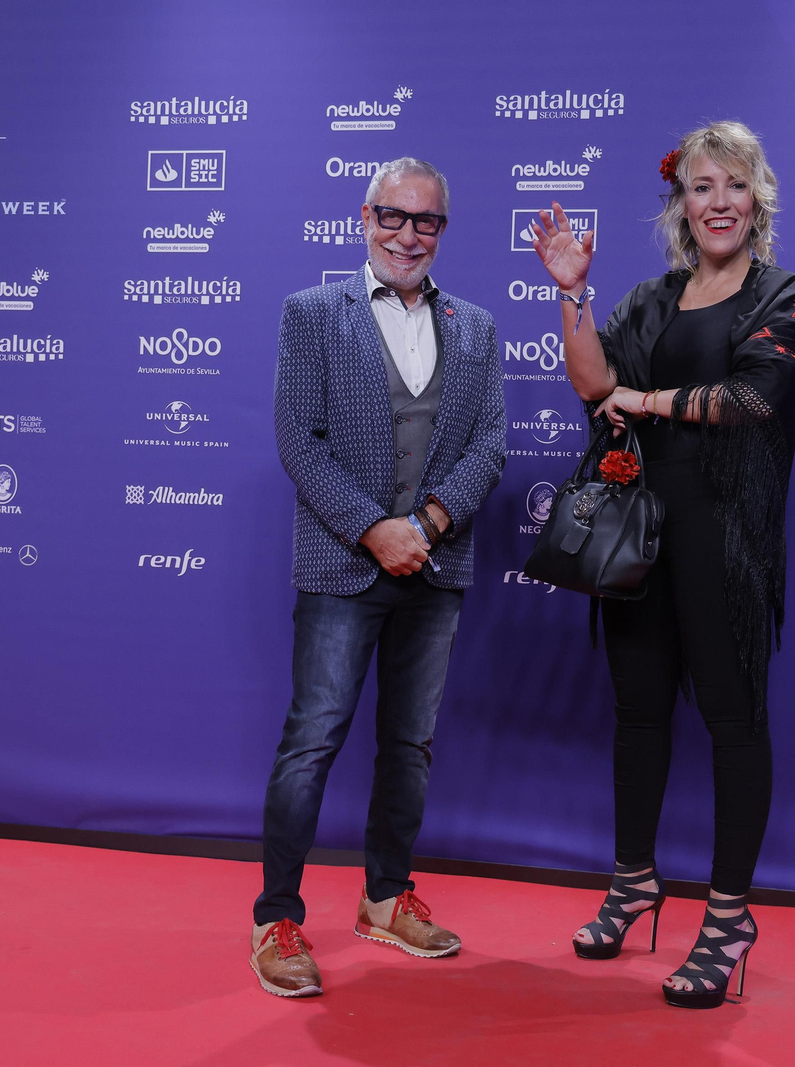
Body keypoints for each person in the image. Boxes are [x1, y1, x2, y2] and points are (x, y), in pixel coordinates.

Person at [528, 121, 795, 1008]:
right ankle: (633, 882)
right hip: (641, 540)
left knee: (734, 722)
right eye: (700, 187)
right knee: (639, 713)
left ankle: (728, 919)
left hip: (726, 544)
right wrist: (573, 295)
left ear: (756, 198)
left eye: (733, 185)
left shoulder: (783, 295)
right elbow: (588, 380)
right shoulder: (652, 297)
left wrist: (641, 398)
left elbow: (751, 398)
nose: (718, 202)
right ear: (680, 204)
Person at [251, 157, 506, 998]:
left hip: (435, 569)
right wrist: (372, 528)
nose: (408, 234)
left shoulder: (476, 327)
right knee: (312, 739)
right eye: (393, 216)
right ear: (364, 218)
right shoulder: (311, 315)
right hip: (339, 567)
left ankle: (387, 898)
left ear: (442, 230)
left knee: (411, 745)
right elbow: (298, 438)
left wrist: (426, 525)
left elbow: (489, 449)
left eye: (425, 220)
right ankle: (277, 917)